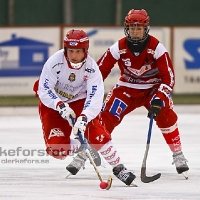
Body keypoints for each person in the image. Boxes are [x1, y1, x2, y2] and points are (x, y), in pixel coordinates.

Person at [67, 8, 189, 185]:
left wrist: (160, 97)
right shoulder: (119, 47)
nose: (136, 31)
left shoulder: (157, 47)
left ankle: (178, 154)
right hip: (127, 88)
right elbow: (100, 71)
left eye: (139, 28)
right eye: (132, 27)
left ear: (146, 28)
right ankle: (85, 153)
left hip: (152, 89)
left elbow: (168, 77)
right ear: (127, 28)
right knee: (104, 117)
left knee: (166, 115)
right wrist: (86, 91)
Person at [33, 29, 105, 174]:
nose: (73, 55)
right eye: (70, 50)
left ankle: (117, 165)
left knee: (96, 131)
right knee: (56, 150)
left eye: (78, 51)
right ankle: (82, 146)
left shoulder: (91, 67)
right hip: (55, 104)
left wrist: (84, 116)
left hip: (78, 101)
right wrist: (59, 105)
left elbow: (95, 95)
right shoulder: (54, 61)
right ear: (65, 49)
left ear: (85, 51)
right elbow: (44, 88)